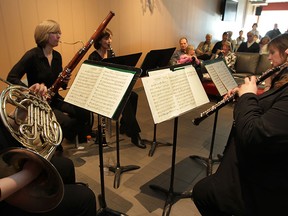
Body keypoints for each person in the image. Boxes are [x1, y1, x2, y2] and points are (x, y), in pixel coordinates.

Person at [192, 33, 288, 216]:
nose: (268, 58)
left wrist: (248, 96)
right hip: (259, 166)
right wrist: (257, 91)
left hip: (264, 181)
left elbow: (254, 133)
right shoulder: (282, 80)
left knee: (203, 193)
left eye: (273, 53)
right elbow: (271, 111)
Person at [0, 83, 97, 216]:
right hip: (6, 196)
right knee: (85, 198)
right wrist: (28, 174)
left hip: (6, 165)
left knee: (66, 165)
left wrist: (22, 110)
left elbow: (3, 131)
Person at [6, 20, 92, 145]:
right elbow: (11, 77)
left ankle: (74, 134)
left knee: (84, 112)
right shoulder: (32, 55)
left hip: (54, 98)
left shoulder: (57, 56)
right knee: (67, 122)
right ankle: (59, 140)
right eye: (55, 33)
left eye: (60, 33)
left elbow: (61, 84)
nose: (59, 36)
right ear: (45, 35)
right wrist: (30, 90)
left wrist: (65, 81)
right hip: (39, 102)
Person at [88, 28, 146, 149]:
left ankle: (124, 126)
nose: (109, 41)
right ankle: (135, 134)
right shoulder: (93, 57)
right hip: (102, 90)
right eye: (106, 38)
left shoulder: (111, 53)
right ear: (99, 41)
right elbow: (95, 78)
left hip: (113, 87)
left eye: (110, 38)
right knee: (124, 101)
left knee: (134, 95)